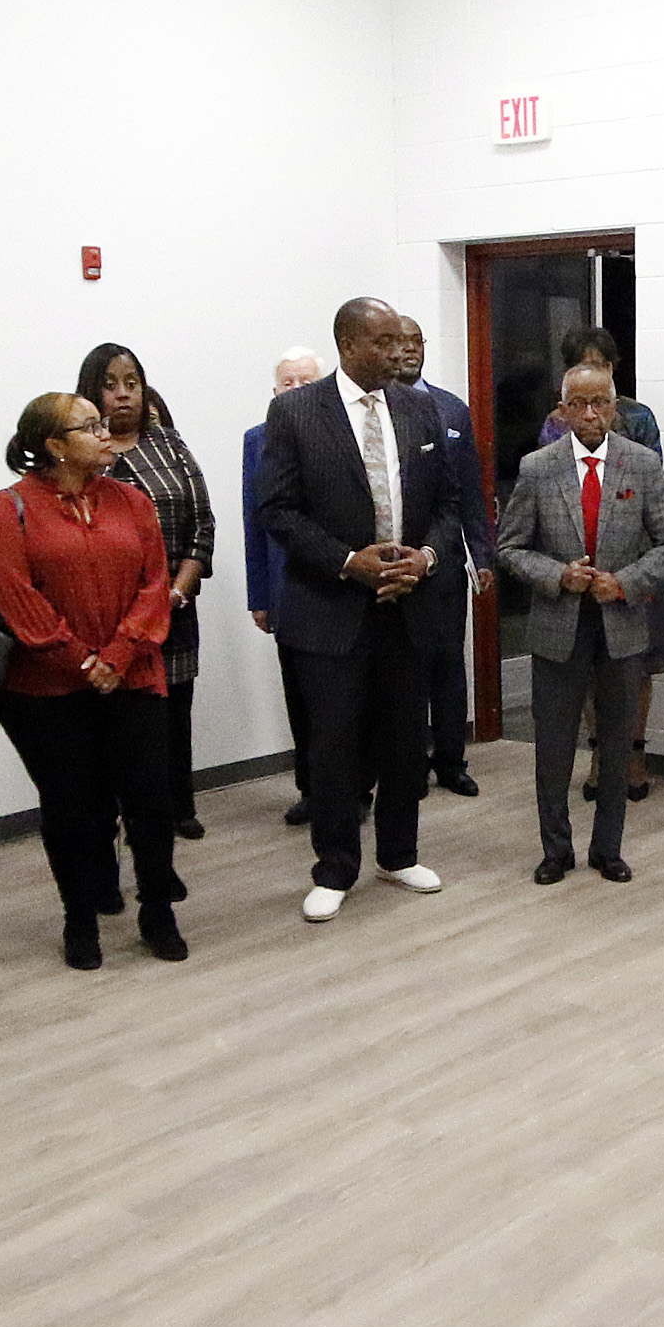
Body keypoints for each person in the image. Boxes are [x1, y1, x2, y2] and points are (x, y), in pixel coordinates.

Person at [253, 297, 456, 924]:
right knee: (334, 743)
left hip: (407, 603)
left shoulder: (420, 406)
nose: (399, 352)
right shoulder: (295, 412)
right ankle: (335, 866)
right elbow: (278, 510)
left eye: (401, 340)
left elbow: (449, 504)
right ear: (347, 345)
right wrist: (349, 561)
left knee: (403, 739)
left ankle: (398, 854)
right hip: (331, 606)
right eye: (384, 341)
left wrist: (423, 558)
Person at [0, 393, 185, 969]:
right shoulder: (7, 509)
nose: (105, 433)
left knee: (150, 800)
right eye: (89, 427)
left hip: (134, 675)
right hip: (46, 690)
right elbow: (14, 595)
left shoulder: (133, 501)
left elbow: (155, 582)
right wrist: (79, 660)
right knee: (72, 809)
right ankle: (80, 920)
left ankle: (157, 910)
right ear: (53, 444)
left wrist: (117, 655)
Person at [495, 364, 664, 884]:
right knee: (554, 744)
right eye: (578, 404)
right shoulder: (538, 468)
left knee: (618, 741)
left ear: (615, 404)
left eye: (600, 402)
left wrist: (623, 582)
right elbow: (509, 547)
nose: (590, 414)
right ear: (562, 409)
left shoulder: (641, 465)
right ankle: (556, 849)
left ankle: (609, 848)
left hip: (621, 623)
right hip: (558, 626)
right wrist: (559, 574)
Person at [80, 343, 216, 841]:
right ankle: (117, 815)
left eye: (132, 383)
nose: (123, 395)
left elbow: (203, 525)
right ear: (91, 392)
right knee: (115, 725)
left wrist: (175, 595)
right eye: (111, 385)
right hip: (105, 623)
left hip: (174, 609)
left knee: (175, 714)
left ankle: (179, 806)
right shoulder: (80, 456)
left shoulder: (170, 446)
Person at [537, 324, 664, 797]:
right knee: (589, 672)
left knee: (638, 667)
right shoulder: (555, 423)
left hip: (631, 565)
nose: (591, 412)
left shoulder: (638, 417)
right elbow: (547, 492)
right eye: (583, 367)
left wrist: (628, 573)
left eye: (602, 366)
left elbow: (653, 494)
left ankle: (632, 754)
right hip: (575, 562)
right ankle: (598, 754)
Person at [389, 314, 495, 797]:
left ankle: (451, 759)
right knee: (401, 671)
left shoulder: (452, 409)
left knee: (449, 664)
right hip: (392, 564)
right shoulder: (376, 410)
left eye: (417, 342)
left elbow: (470, 490)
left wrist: (483, 553)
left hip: (447, 560)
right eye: (401, 343)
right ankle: (406, 763)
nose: (410, 350)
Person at [245, 346, 325, 827]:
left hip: (337, 586)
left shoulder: (339, 438)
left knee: (338, 702)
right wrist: (259, 596)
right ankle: (310, 790)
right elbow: (254, 521)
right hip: (283, 588)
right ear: (274, 393)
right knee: (298, 697)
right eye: (286, 384)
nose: (295, 391)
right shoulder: (257, 440)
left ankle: (352, 789)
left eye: (304, 382)